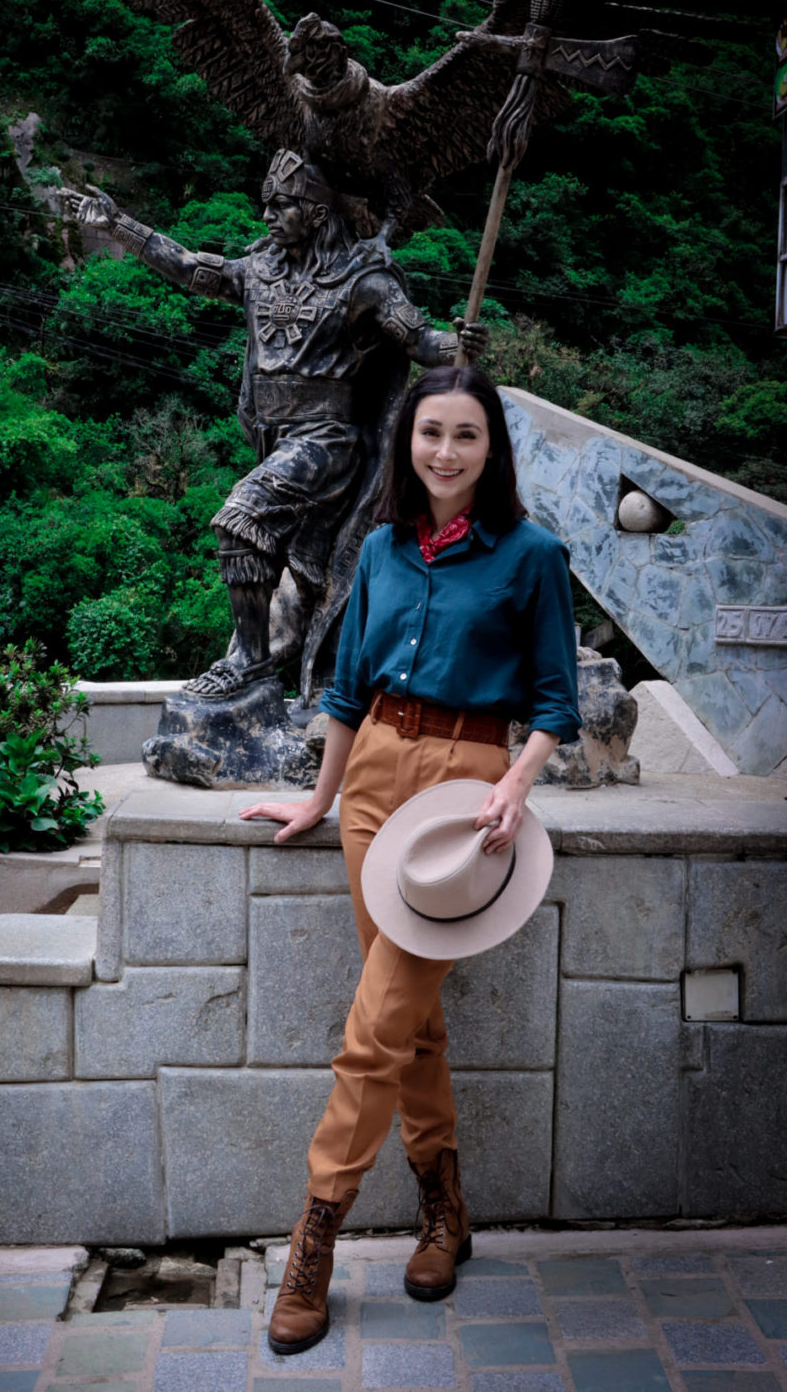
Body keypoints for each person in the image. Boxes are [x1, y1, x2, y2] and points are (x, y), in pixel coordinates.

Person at [240, 363, 581, 1356]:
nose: (446, 451)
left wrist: (514, 787)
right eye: (431, 432)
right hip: (377, 773)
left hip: (462, 790)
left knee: (376, 1025)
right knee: (412, 1024)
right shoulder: (384, 550)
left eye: (466, 436)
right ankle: (446, 1213)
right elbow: (346, 685)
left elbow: (554, 702)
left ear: (491, 448)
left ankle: (317, 1236)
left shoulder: (532, 555)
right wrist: (321, 795)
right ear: (408, 442)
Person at [69, 149, 487, 703]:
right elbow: (192, 268)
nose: (268, 215)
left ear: (316, 215)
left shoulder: (362, 281)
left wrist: (460, 344)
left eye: (283, 205)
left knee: (240, 517)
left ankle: (250, 660)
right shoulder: (259, 270)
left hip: (328, 439)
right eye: (267, 204)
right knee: (280, 554)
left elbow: (420, 341)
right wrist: (118, 223)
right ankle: (278, 665)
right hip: (273, 437)